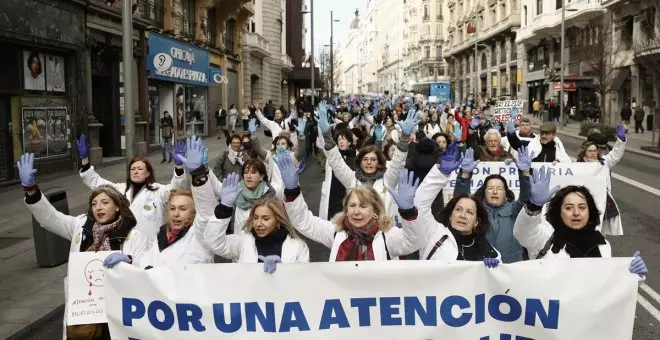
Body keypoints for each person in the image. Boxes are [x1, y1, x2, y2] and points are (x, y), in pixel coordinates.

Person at [17, 153, 147, 340]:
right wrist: (31, 190)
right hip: (85, 311)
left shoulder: (134, 236)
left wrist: (130, 260)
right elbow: (50, 218)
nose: (99, 207)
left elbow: (147, 268)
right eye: (94, 204)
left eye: (104, 202)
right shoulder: (80, 227)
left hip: (117, 310)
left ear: (118, 206)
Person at [276, 153, 421, 261]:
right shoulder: (336, 231)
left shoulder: (387, 235)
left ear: (375, 210)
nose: (356, 211)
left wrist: (408, 212)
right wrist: (292, 190)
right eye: (352, 205)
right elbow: (303, 222)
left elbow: (413, 241)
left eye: (363, 206)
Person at [513, 166, 649, 280]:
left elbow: (609, 287)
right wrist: (534, 206)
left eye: (582, 207)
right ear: (558, 212)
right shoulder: (544, 236)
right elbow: (522, 232)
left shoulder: (603, 245)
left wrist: (634, 276)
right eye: (568, 208)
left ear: (590, 212)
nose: (576, 213)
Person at [104, 137, 216, 268]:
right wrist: (129, 259)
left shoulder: (199, 233)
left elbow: (181, 190)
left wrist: (198, 175)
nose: (176, 213)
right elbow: (148, 259)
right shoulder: (163, 235)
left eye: (183, 209)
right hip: (131, 244)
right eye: (172, 208)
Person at [76, 135, 188, 243]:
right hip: (125, 244)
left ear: (148, 173)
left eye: (140, 169)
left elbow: (177, 189)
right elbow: (97, 182)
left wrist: (179, 167)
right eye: (132, 169)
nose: (135, 171)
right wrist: (85, 160)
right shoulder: (120, 189)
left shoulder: (158, 190)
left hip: (150, 246)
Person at [318, 101, 415, 220]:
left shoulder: (388, 180)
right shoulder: (352, 179)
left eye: (373, 159)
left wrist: (405, 137)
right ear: (360, 163)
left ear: (379, 163)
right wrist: (326, 135)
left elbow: (397, 163)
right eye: (365, 159)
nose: (369, 162)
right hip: (356, 232)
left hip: (381, 233)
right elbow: (336, 162)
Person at [409, 144, 501, 263]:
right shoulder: (433, 233)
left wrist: (495, 269)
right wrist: (441, 173)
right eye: (458, 210)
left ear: (476, 221)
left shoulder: (489, 252)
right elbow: (419, 205)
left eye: (469, 212)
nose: (462, 215)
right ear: (450, 215)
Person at [204, 173, 309, 270]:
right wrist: (224, 208)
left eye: (265, 218)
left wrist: (281, 269)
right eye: (255, 218)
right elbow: (214, 242)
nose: (258, 224)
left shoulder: (299, 247)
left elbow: (301, 280)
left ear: (278, 221)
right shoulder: (243, 243)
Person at [453, 147, 532, 263]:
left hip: (513, 266)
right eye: (490, 188)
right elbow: (461, 201)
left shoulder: (515, 209)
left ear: (506, 193)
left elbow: (526, 198)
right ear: (484, 192)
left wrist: (525, 173)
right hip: (480, 266)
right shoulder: (477, 210)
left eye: (499, 189)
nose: (494, 192)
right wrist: (465, 175)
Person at [576, 124, 627, 236]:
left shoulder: (604, 162)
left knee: (599, 233)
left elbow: (616, 154)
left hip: (601, 201)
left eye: (595, 151)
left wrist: (621, 140)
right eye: (590, 151)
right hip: (584, 202)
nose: (593, 153)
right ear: (585, 152)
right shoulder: (577, 165)